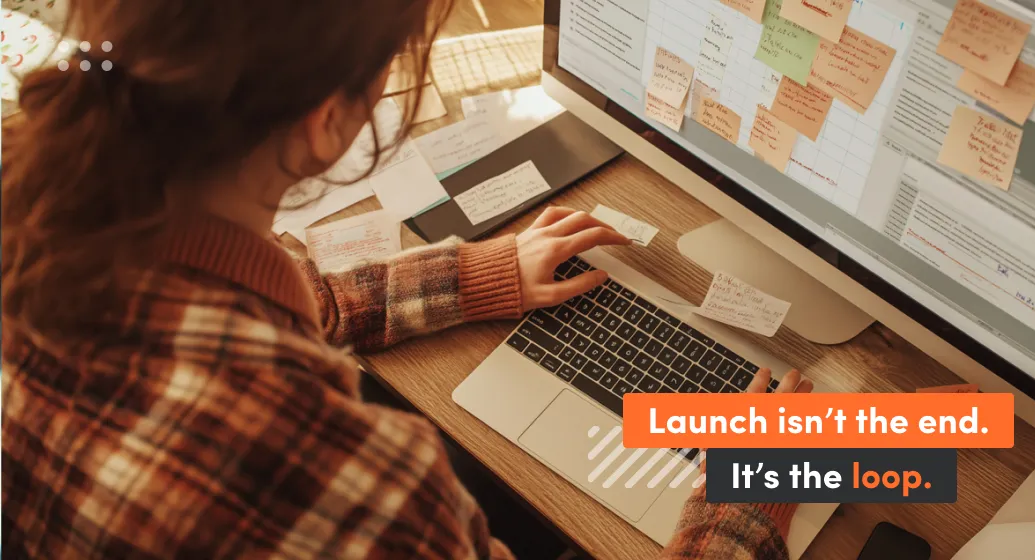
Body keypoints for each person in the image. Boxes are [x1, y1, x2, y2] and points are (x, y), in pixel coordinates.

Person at [1, 1, 814, 558]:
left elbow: (233, 307)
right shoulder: (359, 488)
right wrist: (750, 490)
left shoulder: (45, 199)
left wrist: (475, 275)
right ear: (327, 122)